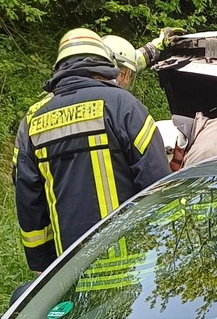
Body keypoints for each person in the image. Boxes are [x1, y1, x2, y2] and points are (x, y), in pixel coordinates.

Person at [13, 28, 170, 272]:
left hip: (71, 270)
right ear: (104, 65)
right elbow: (158, 183)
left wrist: (42, 268)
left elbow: (28, 201)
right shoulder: (123, 105)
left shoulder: (33, 121)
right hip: (132, 267)